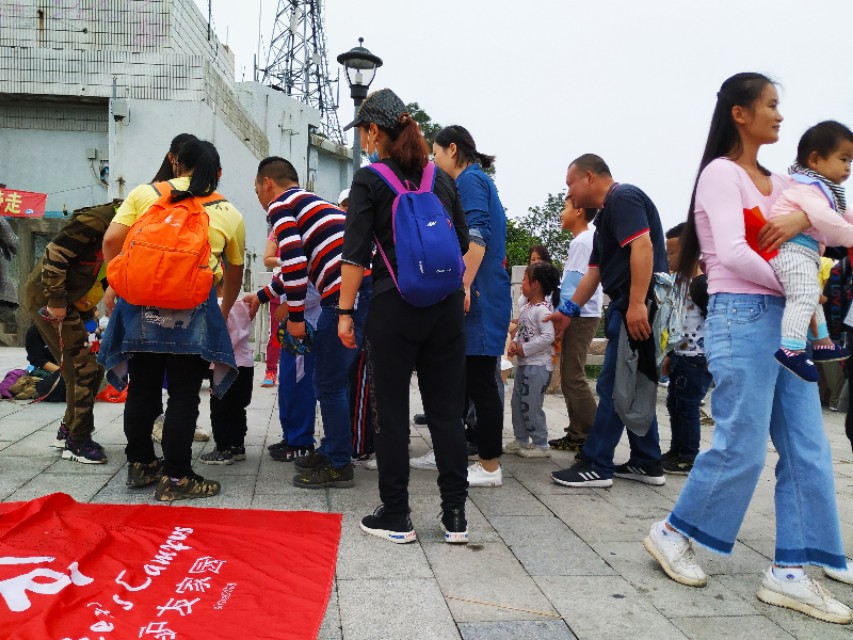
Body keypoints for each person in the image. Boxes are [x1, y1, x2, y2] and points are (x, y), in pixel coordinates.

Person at [642, 72, 853, 625]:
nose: (780, 115)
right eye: (770, 105)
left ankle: (791, 570)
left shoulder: (784, 182)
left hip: (785, 321)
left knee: (809, 447)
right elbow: (734, 253)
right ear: (740, 113)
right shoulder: (721, 173)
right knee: (743, 446)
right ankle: (672, 532)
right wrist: (797, 287)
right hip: (742, 316)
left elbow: (826, 227)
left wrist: (806, 217)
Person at [337, 88, 470, 544]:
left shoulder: (369, 180)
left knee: (391, 414)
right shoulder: (441, 179)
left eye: (364, 133)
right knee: (446, 413)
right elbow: (462, 242)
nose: (364, 142)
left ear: (375, 130)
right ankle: (455, 517)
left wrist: (344, 312)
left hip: (394, 305)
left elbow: (354, 255)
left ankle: (397, 515)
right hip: (446, 307)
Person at [101, 138, 245, 500]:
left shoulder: (145, 194)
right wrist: (222, 312)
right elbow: (234, 272)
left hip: (139, 304)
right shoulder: (228, 211)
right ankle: (177, 478)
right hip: (192, 308)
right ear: (216, 170)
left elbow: (111, 240)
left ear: (177, 162)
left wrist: (115, 283)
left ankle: (141, 465)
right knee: (183, 394)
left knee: (142, 388)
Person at [243, 156, 370, 488]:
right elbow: (301, 267)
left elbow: (295, 264)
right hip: (356, 288)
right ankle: (331, 450)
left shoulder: (281, 205)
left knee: (328, 381)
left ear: (267, 183)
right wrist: (262, 295)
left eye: (257, 190)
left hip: (348, 293)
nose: (259, 198)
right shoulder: (310, 203)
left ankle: (339, 464)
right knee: (330, 378)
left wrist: (296, 317)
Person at [547, 154, 668, 488]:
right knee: (633, 382)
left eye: (570, 183)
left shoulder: (623, 197)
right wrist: (567, 311)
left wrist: (637, 303)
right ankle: (646, 461)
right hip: (628, 303)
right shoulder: (604, 220)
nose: (568, 192)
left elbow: (642, 247)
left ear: (589, 177)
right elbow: (594, 273)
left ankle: (596, 463)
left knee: (614, 385)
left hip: (637, 303)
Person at [407, 125, 510, 487]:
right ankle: (448, 451)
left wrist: (463, 285)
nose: (434, 162)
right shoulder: (472, 181)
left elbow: (476, 238)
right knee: (461, 382)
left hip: (479, 297)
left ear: (452, 150)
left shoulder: (471, 181)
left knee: (481, 382)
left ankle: (490, 466)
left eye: (436, 154)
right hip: (478, 294)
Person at [22, 201, 117, 463]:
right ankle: (77, 441)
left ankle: (69, 430)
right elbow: (55, 252)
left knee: (93, 369)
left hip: (75, 300)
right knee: (83, 369)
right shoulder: (98, 220)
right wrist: (55, 300)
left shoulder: (129, 224)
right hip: (51, 300)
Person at [766, 120, 853, 381]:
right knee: (803, 296)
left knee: (811, 295)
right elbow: (830, 221)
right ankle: (791, 349)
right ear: (814, 159)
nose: (848, 168)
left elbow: (844, 215)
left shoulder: (824, 191)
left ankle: (822, 342)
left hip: (805, 252)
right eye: (843, 159)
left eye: (851, 161)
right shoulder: (807, 189)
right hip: (791, 250)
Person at [549, 197, 603, 452]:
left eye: (565, 207)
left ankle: (593, 436)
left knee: (573, 376)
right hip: (580, 312)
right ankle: (577, 433)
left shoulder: (582, 241)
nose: (561, 213)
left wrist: (562, 314)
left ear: (579, 210)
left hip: (581, 314)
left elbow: (573, 284)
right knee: (570, 375)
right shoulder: (585, 240)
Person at [659, 223, 712, 475]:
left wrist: (712, 357)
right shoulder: (679, 283)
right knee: (674, 404)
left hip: (697, 359)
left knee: (688, 407)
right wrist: (670, 355)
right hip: (680, 355)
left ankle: (688, 456)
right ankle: (676, 450)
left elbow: (714, 321)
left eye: (672, 253)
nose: (668, 258)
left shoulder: (702, 285)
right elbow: (676, 324)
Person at [505, 261, 560, 457]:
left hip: (538, 366)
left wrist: (525, 349)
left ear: (535, 284)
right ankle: (521, 439)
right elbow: (522, 332)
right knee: (518, 403)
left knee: (531, 404)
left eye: (524, 279)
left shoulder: (543, 311)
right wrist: (515, 344)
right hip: (525, 365)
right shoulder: (528, 308)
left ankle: (541, 444)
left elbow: (548, 337)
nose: (522, 283)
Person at [200, 277, 256, 465]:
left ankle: (223, 449)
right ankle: (237, 446)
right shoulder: (242, 305)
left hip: (222, 366)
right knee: (238, 408)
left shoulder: (213, 307)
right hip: (245, 363)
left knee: (220, 409)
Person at [260, 229, 282, 388]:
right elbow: (267, 259)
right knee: (276, 333)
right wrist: (289, 261)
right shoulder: (276, 231)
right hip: (279, 288)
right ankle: (271, 371)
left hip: (306, 289)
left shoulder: (307, 227)